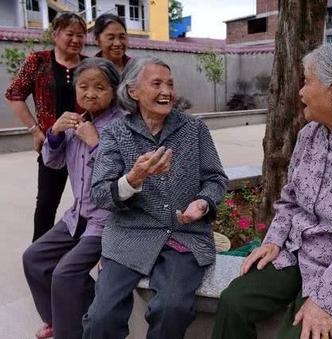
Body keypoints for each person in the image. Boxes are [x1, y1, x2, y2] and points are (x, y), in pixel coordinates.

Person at [211, 42, 332, 339]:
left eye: (307, 81)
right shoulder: (309, 134)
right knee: (234, 302)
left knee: (303, 335)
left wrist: (326, 301)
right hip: (299, 252)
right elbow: (290, 199)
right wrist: (274, 240)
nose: (300, 91)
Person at [82, 57, 228, 339]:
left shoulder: (193, 129)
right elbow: (101, 192)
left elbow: (215, 179)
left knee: (172, 307)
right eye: (157, 83)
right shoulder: (115, 133)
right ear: (133, 91)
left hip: (183, 234)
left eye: (170, 84)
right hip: (129, 234)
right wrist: (133, 179)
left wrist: (203, 202)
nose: (167, 91)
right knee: (101, 316)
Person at [22, 57, 122, 339]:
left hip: (107, 221)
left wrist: (96, 143)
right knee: (34, 258)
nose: (90, 93)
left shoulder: (122, 127)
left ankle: (72, 332)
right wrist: (54, 133)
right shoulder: (75, 122)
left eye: (99, 87)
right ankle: (57, 318)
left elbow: (124, 178)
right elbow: (52, 163)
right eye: (83, 86)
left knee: (65, 274)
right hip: (76, 215)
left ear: (114, 90)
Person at [5, 12, 87, 241]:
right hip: (54, 143)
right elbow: (14, 95)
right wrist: (35, 130)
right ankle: (39, 254)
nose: (76, 40)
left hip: (85, 144)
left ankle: (88, 251)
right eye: (70, 34)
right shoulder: (38, 61)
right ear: (56, 34)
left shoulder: (90, 65)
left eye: (81, 35)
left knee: (90, 201)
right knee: (46, 202)